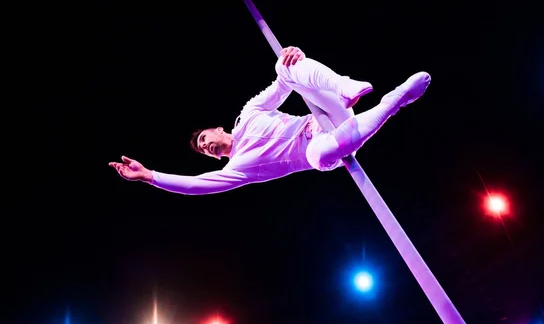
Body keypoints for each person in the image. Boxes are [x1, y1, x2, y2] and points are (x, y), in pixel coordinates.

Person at [109, 46, 431, 195]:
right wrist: (150, 175)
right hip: (324, 147)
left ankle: (344, 85)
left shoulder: (248, 113)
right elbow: (195, 185)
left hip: (325, 115)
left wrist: (291, 55)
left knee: (283, 67)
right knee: (320, 156)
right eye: (203, 150)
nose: (206, 147)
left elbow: (283, 85)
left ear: (219, 128)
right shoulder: (236, 169)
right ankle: (394, 101)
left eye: (204, 138)